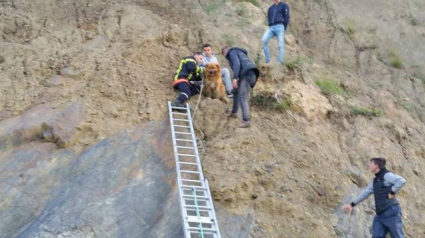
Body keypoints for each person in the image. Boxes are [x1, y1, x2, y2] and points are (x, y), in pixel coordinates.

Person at [341, 158, 406, 238]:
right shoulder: (375, 180)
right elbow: (365, 193)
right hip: (380, 215)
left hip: (391, 212)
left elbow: (401, 180)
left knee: (397, 236)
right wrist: (352, 204)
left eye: (371, 164)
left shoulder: (387, 175)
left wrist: (392, 192)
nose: (369, 165)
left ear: (376, 166)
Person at [222, 46, 259, 128]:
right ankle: (234, 112)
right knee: (235, 91)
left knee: (243, 97)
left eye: (224, 55)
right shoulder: (240, 52)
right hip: (251, 74)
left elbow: (237, 63)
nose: (226, 57)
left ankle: (246, 120)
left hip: (247, 75)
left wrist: (235, 78)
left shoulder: (232, 52)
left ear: (225, 52)